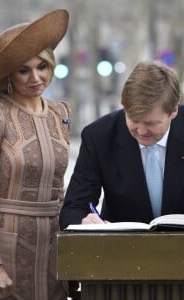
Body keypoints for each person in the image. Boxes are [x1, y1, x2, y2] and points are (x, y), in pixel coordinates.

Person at [0, 9, 71, 300]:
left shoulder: (60, 113)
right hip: (0, 254)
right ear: (9, 72)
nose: (36, 77)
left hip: (49, 255)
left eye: (42, 66)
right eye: (24, 70)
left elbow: (59, 192)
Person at [59, 60, 184, 230]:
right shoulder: (99, 137)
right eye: (134, 120)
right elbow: (74, 208)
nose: (141, 131)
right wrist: (84, 221)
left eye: (151, 123)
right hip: (121, 249)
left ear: (174, 111)